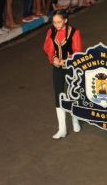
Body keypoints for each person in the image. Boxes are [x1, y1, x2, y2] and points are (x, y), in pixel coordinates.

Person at [43, 10, 82, 139]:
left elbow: (78, 52)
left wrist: (67, 60)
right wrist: (53, 58)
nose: (56, 25)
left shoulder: (75, 32)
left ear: (65, 20)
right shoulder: (51, 32)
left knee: (73, 93)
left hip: (71, 67)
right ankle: (62, 128)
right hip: (57, 68)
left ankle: (75, 119)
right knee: (59, 95)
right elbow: (47, 48)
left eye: (59, 22)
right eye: (54, 22)